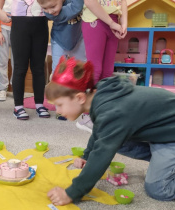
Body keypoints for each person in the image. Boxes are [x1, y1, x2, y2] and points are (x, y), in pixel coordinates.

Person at [45, 56, 175, 205]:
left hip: (170, 136)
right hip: (160, 130)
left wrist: (72, 193)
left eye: (60, 104)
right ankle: (165, 163)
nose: (58, 111)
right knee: (114, 139)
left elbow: (102, 155)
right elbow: (100, 132)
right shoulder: (99, 96)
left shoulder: (112, 111)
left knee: (158, 188)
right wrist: (87, 155)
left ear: (80, 97)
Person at [76, 0, 128, 132]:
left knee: (107, 72)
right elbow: (89, 2)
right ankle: (86, 116)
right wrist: (111, 23)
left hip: (114, 20)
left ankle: (99, 113)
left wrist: (124, 23)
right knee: (95, 70)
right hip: (96, 18)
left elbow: (123, 2)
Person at [0, 0, 50, 120]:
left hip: (41, 23)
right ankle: (18, 106)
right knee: (20, 67)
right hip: (19, 24)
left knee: (39, 67)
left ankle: (39, 104)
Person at [38, 0, 86, 120]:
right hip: (59, 40)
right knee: (57, 73)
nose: (50, 11)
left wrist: (71, 8)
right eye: (46, 9)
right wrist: (69, 9)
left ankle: (80, 106)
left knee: (81, 72)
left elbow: (78, 5)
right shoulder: (51, 12)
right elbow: (76, 8)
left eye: (53, 6)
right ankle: (61, 107)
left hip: (79, 39)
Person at [0, 0, 14, 102]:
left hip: (18, 28)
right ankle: (2, 88)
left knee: (18, 61)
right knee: (1, 60)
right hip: (2, 28)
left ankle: (16, 87)